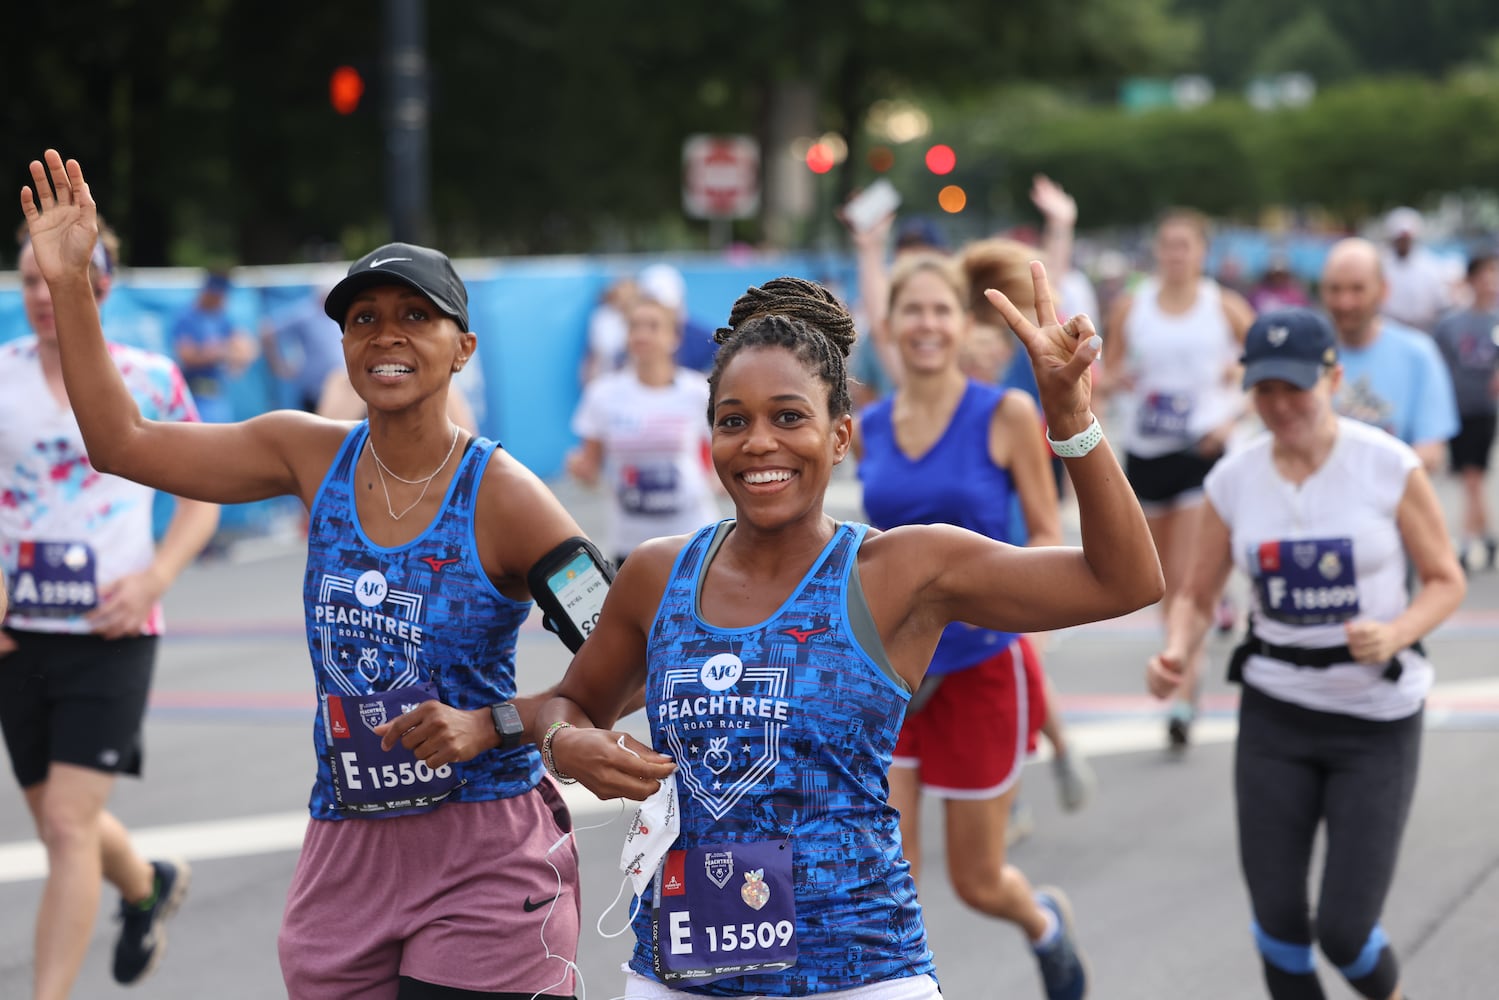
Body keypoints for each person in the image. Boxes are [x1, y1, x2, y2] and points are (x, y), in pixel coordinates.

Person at [21, 150, 588, 999]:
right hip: (347, 846)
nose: (386, 334)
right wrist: (69, 283)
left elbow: (630, 647)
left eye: (414, 316)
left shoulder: (506, 499)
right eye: (363, 319)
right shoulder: (309, 454)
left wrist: (496, 723)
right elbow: (122, 444)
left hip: (483, 855)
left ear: (462, 346)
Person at [536, 265, 1164, 999]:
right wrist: (566, 741)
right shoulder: (656, 573)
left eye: (788, 417)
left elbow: (1123, 581)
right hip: (680, 974)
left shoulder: (900, 569)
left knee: (975, 871)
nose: (758, 442)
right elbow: (568, 703)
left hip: (859, 973)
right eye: (733, 420)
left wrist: (1070, 419)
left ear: (839, 437)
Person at [1146, 308, 1465, 1000]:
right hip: (1276, 715)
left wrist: (1398, 630)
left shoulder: (1386, 464)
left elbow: (1445, 579)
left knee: (1345, 933)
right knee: (1279, 929)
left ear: (1333, 378)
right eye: (1264, 390)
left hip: (1374, 716)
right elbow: (1197, 596)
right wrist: (1176, 649)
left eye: (1295, 387)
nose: (1280, 405)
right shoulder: (1233, 478)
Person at [852, 248, 1100, 998]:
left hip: (982, 671)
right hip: (891, 677)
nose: (925, 324)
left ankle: (1044, 923)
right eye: (911, 311)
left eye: (939, 310)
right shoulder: (867, 426)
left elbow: (1043, 532)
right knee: (889, 873)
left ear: (963, 324)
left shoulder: (1005, 412)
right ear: (888, 327)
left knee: (978, 880)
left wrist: (1035, 631)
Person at [2, 216, 221, 998]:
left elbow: (202, 499)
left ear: (102, 284)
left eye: (53, 276)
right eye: (25, 280)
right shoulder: (1, 375)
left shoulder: (151, 377)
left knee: (65, 825)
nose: (39, 294)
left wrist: (155, 579)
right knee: (65, 821)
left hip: (115, 630)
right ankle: (144, 885)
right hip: (17, 633)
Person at [1102, 207, 1256, 750]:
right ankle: (1184, 658)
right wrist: (1117, 378)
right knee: (1163, 583)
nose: (1175, 255)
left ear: (1202, 252)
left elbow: (1260, 366)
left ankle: (1185, 696)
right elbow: (1111, 370)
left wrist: (1231, 404)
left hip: (1202, 448)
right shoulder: (1133, 307)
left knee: (1190, 579)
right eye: (1166, 245)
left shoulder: (1224, 306)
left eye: (1184, 246)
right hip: (1148, 450)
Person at [566, 284, 720, 566]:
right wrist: (580, 469)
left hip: (693, 534)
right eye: (634, 326)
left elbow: (724, 450)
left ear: (673, 337)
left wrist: (719, 478)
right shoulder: (603, 394)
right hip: (632, 542)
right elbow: (589, 468)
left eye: (653, 326)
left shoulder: (697, 391)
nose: (642, 334)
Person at [1320, 238, 1459, 472]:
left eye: (1357, 289)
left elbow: (1431, 451)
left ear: (1383, 290)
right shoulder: (1307, 352)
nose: (1345, 302)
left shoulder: (1419, 353)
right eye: (1335, 289)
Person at [1431, 250, 1499, 571]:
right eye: (1484, 274)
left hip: (1484, 409)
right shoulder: (1451, 324)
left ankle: (1469, 539)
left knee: (1474, 476)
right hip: (1456, 407)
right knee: (1468, 476)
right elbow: (1438, 366)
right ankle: (1482, 536)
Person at [170, 270, 257, 422]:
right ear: (209, 292)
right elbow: (186, 356)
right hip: (194, 393)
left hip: (217, 395)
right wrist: (221, 352)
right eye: (218, 295)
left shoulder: (222, 317)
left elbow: (245, 348)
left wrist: (237, 356)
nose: (221, 300)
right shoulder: (187, 317)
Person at [260, 282, 346, 412]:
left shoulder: (341, 313)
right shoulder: (305, 312)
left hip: (342, 388)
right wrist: (278, 365)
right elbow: (267, 330)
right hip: (314, 391)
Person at [1379, 207, 1453, 334]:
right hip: (1388, 330)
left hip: (1422, 330)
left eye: (1406, 239)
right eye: (1400, 239)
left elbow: (1441, 303)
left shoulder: (1430, 266)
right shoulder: (1381, 265)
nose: (1403, 243)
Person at [579, 276, 638, 385]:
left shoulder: (640, 315)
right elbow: (603, 348)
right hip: (605, 376)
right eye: (623, 290)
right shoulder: (604, 317)